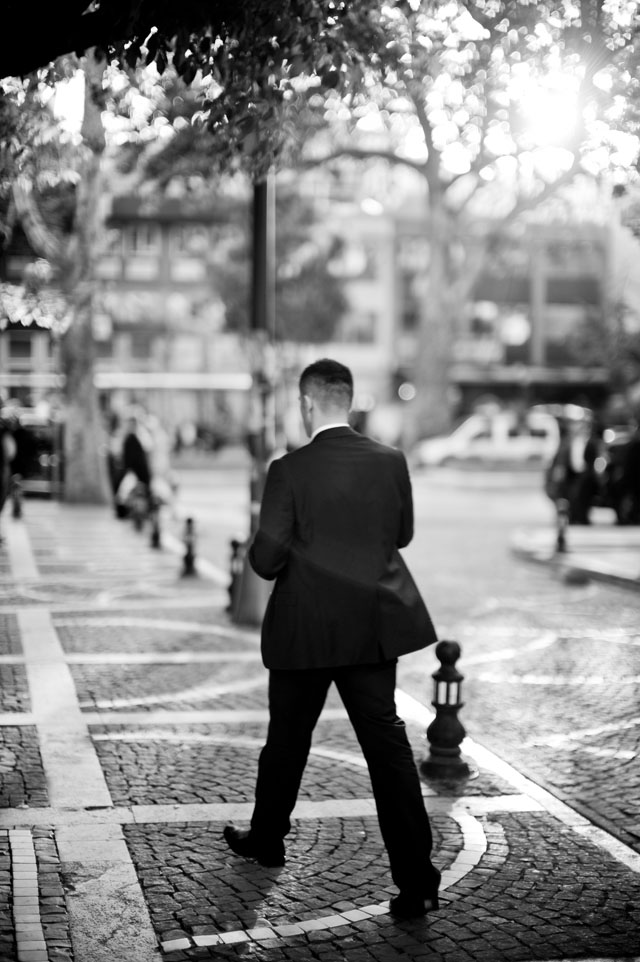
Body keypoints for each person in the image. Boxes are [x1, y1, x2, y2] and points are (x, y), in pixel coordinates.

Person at [223, 358, 441, 919]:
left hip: (305, 630)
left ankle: (267, 840)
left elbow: (267, 561)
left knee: (287, 740)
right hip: (371, 626)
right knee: (388, 751)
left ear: (306, 404)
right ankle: (416, 878)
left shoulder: (288, 470)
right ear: (346, 399)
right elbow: (404, 534)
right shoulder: (390, 461)